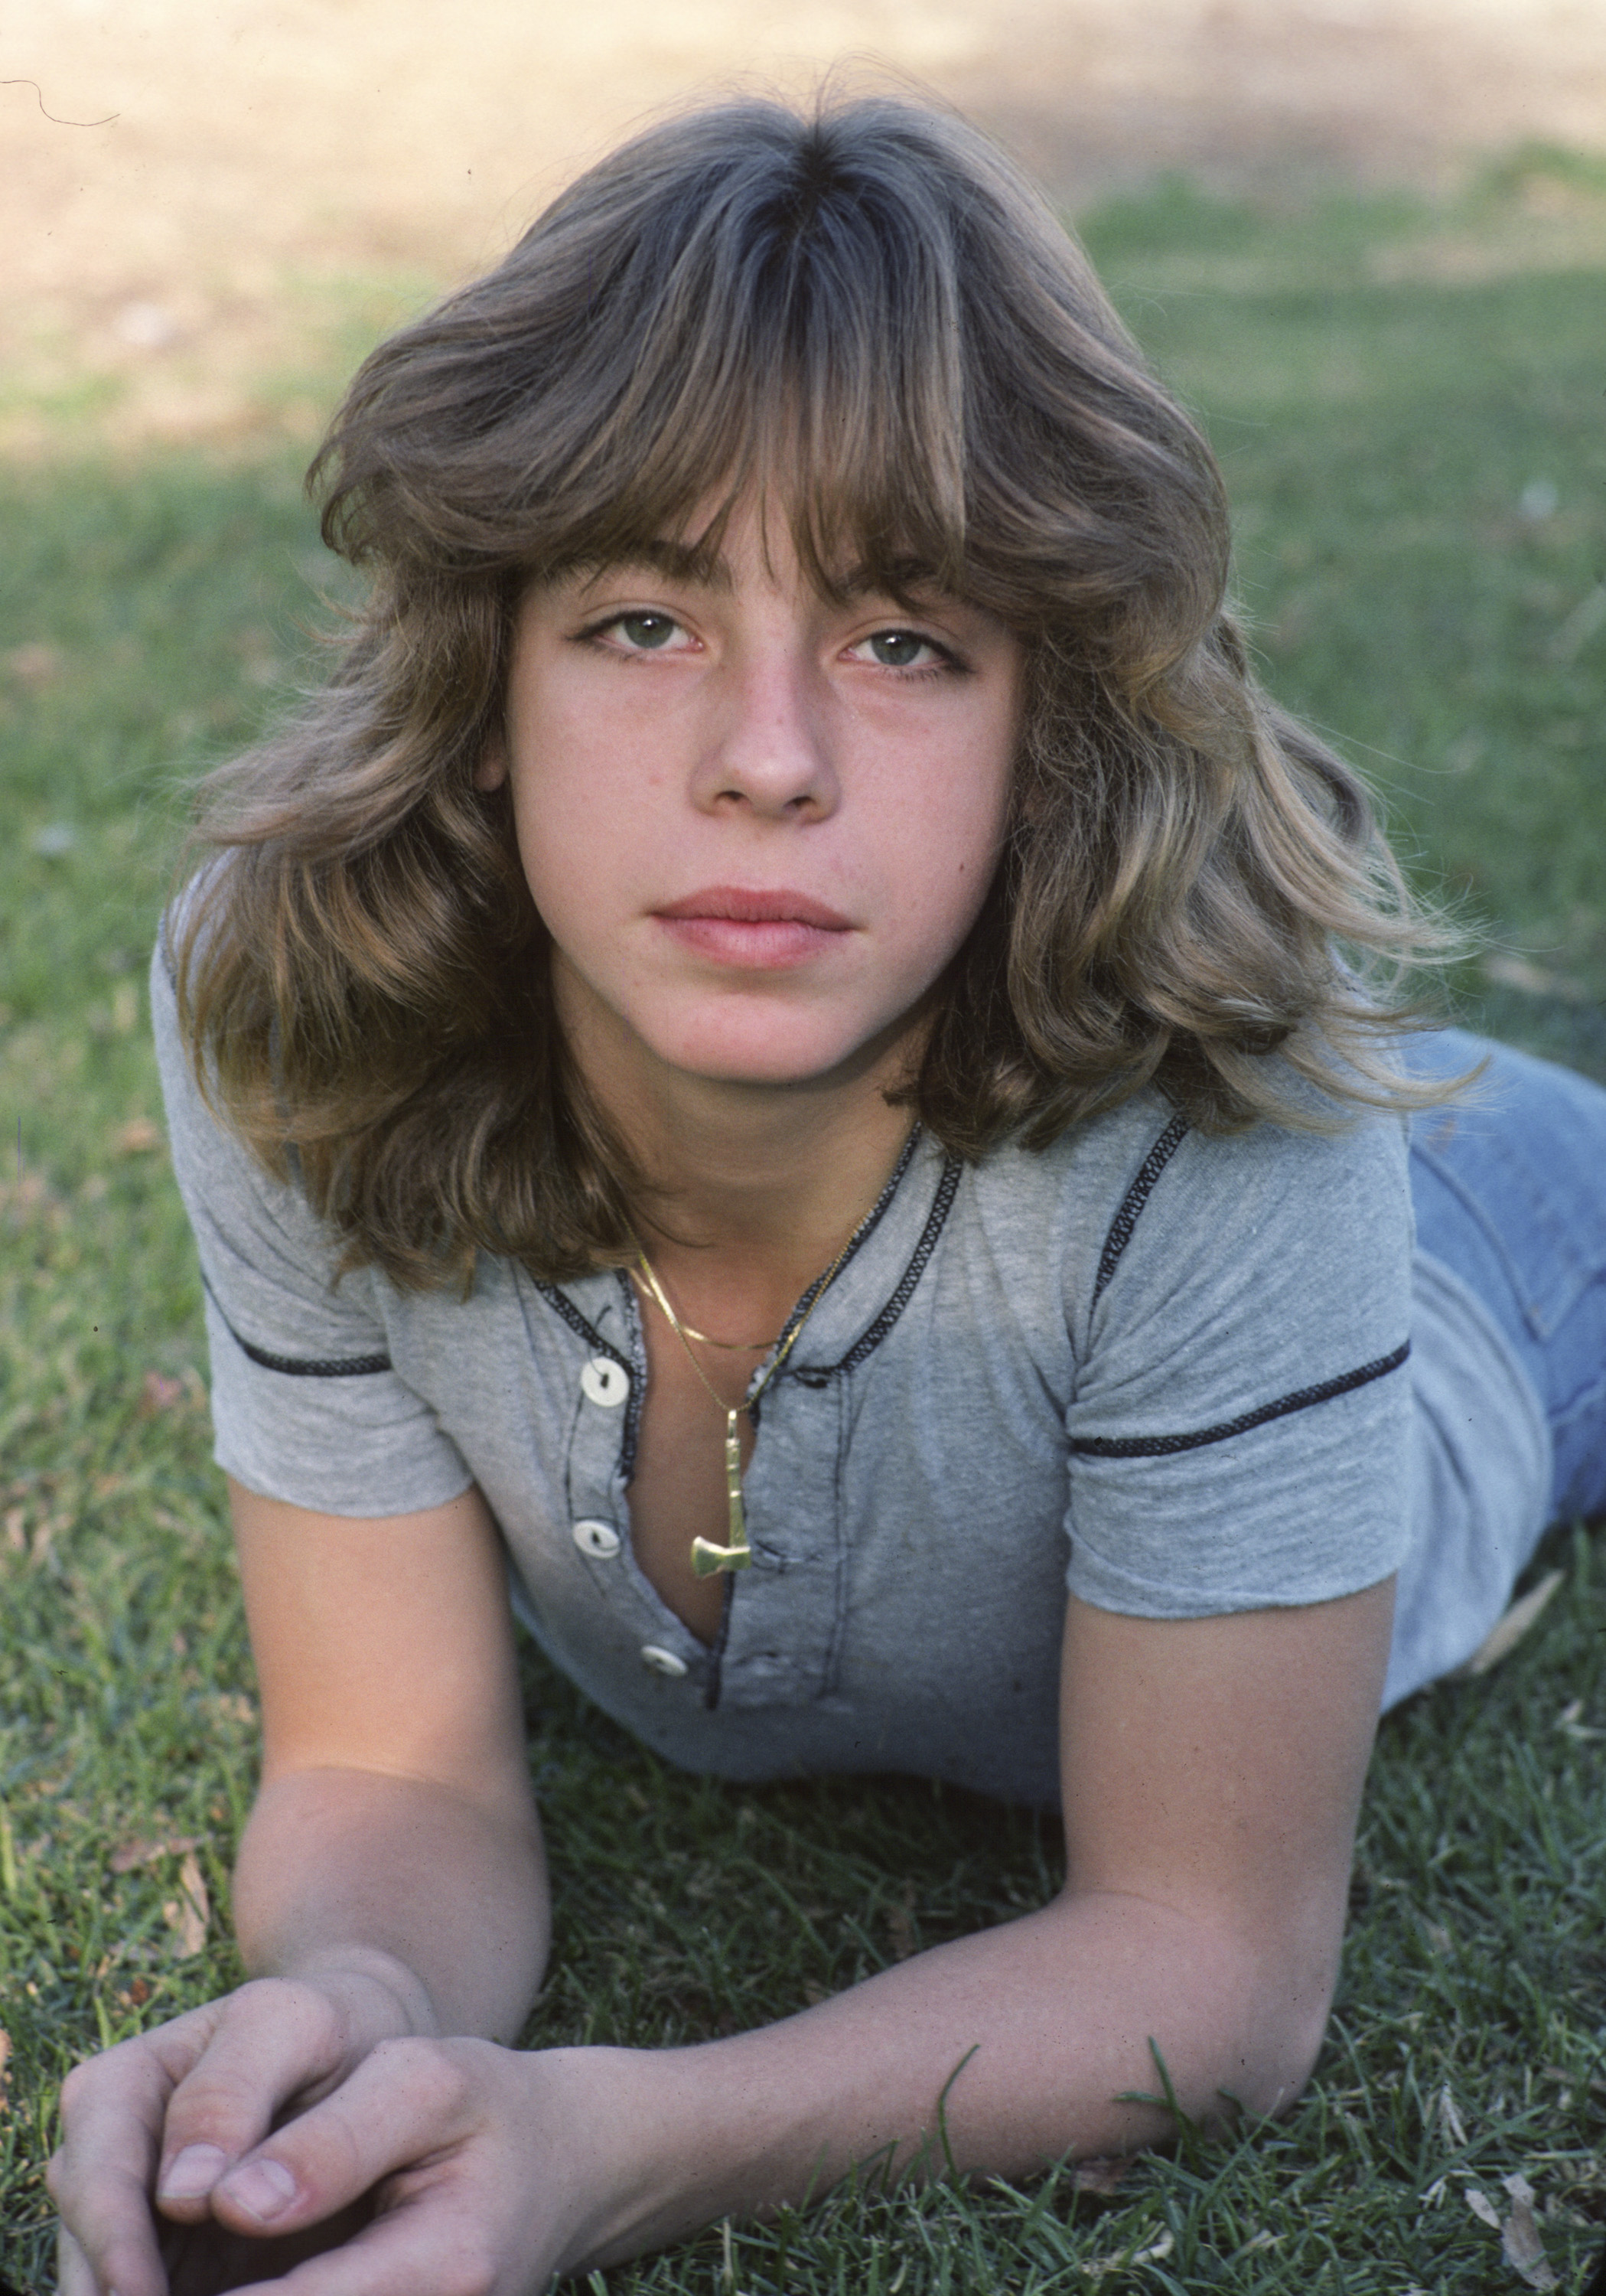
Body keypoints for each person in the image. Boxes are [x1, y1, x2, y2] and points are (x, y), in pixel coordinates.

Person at [50, 89, 1606, 2296]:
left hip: (1497, 1264)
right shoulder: (300, 1012)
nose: (765, 758)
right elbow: (391, 1771)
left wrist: (613, 2138)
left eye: (900, 643)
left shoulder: (1242, 1115)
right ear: (484, 674)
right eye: (640, 623)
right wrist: (360, 2019)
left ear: (1041, 717)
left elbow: (1202, 1959)